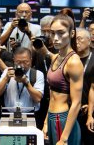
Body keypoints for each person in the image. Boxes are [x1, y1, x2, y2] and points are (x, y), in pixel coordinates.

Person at [39, 14, 83, 145]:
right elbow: (53, 94)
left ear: (72, 33)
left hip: (63, 120)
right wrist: (46, 121)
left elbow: (76, 103)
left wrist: (64, 138)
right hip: (53, 117)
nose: (55, 38)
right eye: (52, 33)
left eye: (61, 33)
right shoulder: (56, 57)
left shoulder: (74, 62)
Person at [0, 47, 44, 127]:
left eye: (25, 62)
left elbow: (38, 98)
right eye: (18, 62)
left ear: (31, 60)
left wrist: (26, 83)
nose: (22, 65)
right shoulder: (8, 72)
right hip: (9, 115)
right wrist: (6, 78)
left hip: (30, 115)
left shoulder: (37, 74)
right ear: (14, 60)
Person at [76, 28, 94, 145]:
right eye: (75, 39)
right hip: (70, 109)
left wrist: (90, 113)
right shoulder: (71, 58)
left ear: (89, 41)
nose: (76, 42)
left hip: (89, 109)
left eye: (80, 39)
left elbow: (93, 88)